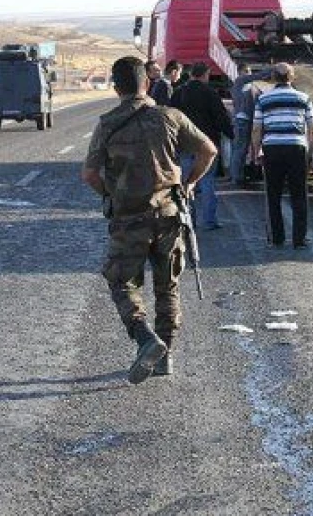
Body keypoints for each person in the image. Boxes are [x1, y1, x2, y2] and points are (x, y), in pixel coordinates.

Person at [82, 56, 217, 384]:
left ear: (116, 88)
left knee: (121, 282)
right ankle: (165, 355)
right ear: (147, 83)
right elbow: (208, 151)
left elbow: (89, 174)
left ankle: (145, 340)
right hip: (169, 215)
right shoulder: (171, 117)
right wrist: (189, 184)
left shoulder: (108, 124)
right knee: (167, 286)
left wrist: (110, 195)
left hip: (128, 218)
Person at [251, 62, 313, 249]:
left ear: (273, 77)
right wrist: (310, 153)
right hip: (296, 148)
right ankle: (299, 240)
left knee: (273, 195)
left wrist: (256, 151)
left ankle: (277, 238)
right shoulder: (304, 98)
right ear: (292, 77)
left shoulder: (263, 99)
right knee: (299, 195)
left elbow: (257, 128)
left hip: (272, 148)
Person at [169, 62, 233, 230]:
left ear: (191, 75)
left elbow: (170, 117)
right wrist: (232, 135)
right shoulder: (210, 93)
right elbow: (221, 118)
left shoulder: (179, 93)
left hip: (185, 145)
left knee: (186, 183)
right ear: (205, 74)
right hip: (207, 144)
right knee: (207, 182)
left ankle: (188, 219)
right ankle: (209, 221)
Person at [230, 63, 273, 187]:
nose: (249, 73)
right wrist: (271, 71)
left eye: (249, 71)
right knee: (240, 149)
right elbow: (255, 77)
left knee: (244, 149)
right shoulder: (239, 81)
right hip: (242, 120)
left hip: (249, 120)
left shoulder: (252, 88)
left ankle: (240, 175)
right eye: (246, 71)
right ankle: (237, 177)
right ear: (240, 72)